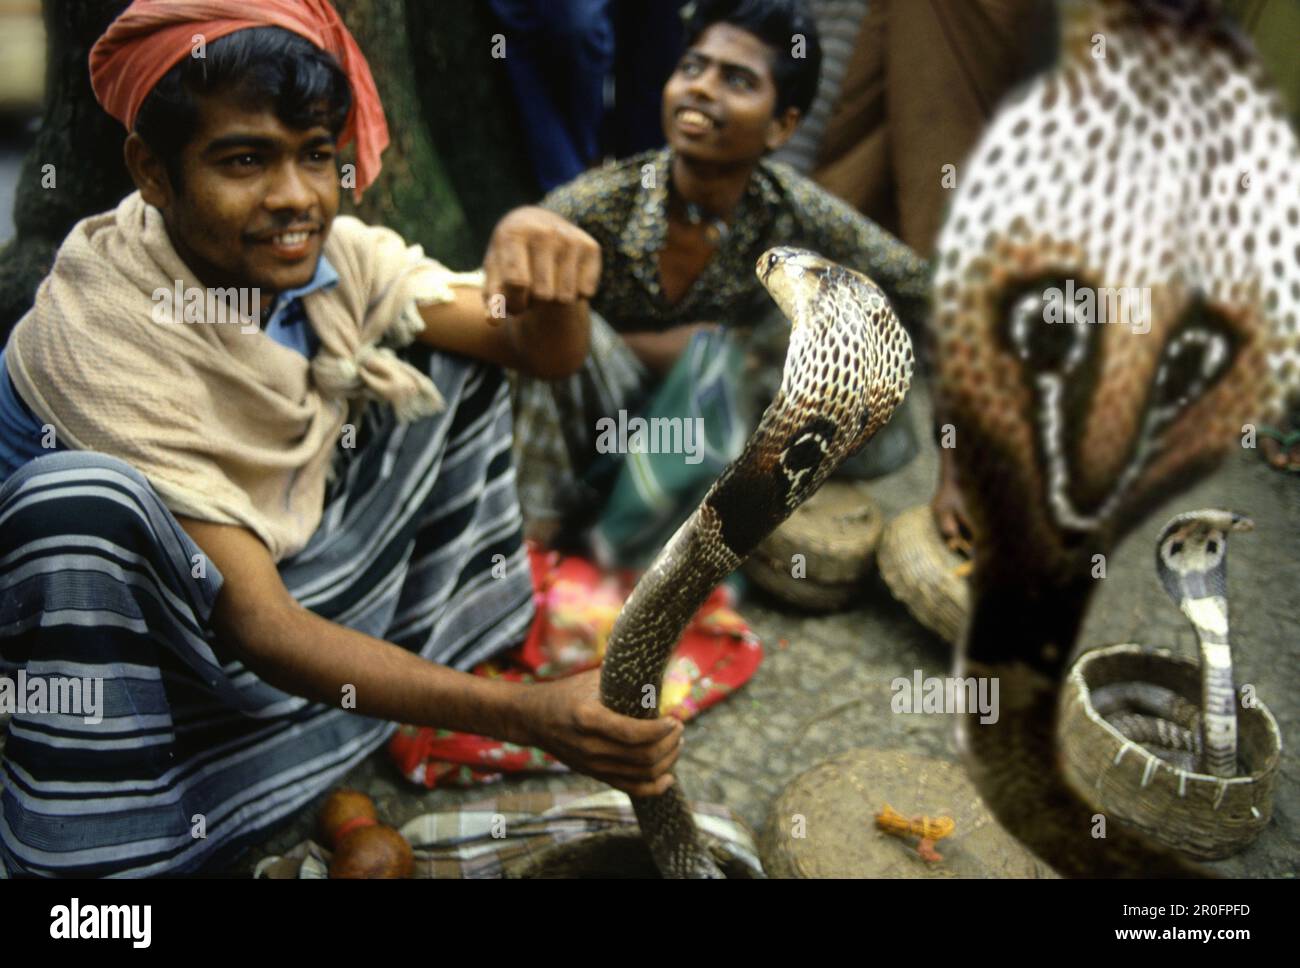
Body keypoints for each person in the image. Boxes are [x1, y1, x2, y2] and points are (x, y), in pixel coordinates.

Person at [0, 0, 681, 878]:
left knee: (443, 367)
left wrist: (540, 269)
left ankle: (345, 719)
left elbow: (529, 350)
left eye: (316, 154)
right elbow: (260, 627)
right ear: (153, 172)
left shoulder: (332, 263)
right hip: (130, 653)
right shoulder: (99, 329)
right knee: (83, 504)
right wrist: (530, 716)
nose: (294, 198)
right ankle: (127, 827)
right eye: (244, 160)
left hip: (257, 579)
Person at [497, 0, 930, 551]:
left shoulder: (793, 209)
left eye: (738, 80)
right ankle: (536, 540)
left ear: (781, 127)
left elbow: (925, 290)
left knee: (824, 337)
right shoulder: (598, 204)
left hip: (699, 433)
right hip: (589, 426)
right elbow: (506, 315)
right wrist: (662, 348)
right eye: (692, 68)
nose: (701, 88)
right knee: (553, 321)